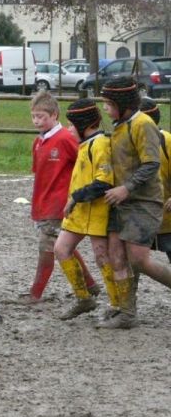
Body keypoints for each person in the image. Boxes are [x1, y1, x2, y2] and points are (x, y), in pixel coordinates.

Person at [101, 77, 171, 329]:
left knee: (139, 259)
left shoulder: (143, 124)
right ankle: (127, 313)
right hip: (120, 202)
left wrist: (126, 188)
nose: (105, 108)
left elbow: (151, 164)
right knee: (116, 256)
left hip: (143, 202)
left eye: (109, 103)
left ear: (123, 104)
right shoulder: (120, 125)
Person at [19, 91, 100, 304]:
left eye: (41, 117)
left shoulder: (65, 138)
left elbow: (85, 162)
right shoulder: (38, 142)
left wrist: (75, 195)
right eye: (34, 116)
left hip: (59, 204)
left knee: (48, 247)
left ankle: (35, 293)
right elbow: (39, 174)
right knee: (61, 245)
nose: (36, 121)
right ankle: (90, 284)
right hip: (43, 203)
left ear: (55, 115)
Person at [53, 99, 115, 321]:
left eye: (71, 124)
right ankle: (84, 298)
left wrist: (75, 198)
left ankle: (117, 304)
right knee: (61, 248)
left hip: (96, 211)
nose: (68, 129)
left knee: (102, 257)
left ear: (83, 124)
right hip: (79, 212)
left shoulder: (100, 145)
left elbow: (104, 181)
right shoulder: (85, 144)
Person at [140, 98, 171, 264]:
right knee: (132, 259)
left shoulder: (167, 141)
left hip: (167, 217)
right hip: (140, 215)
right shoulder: (129, 143)